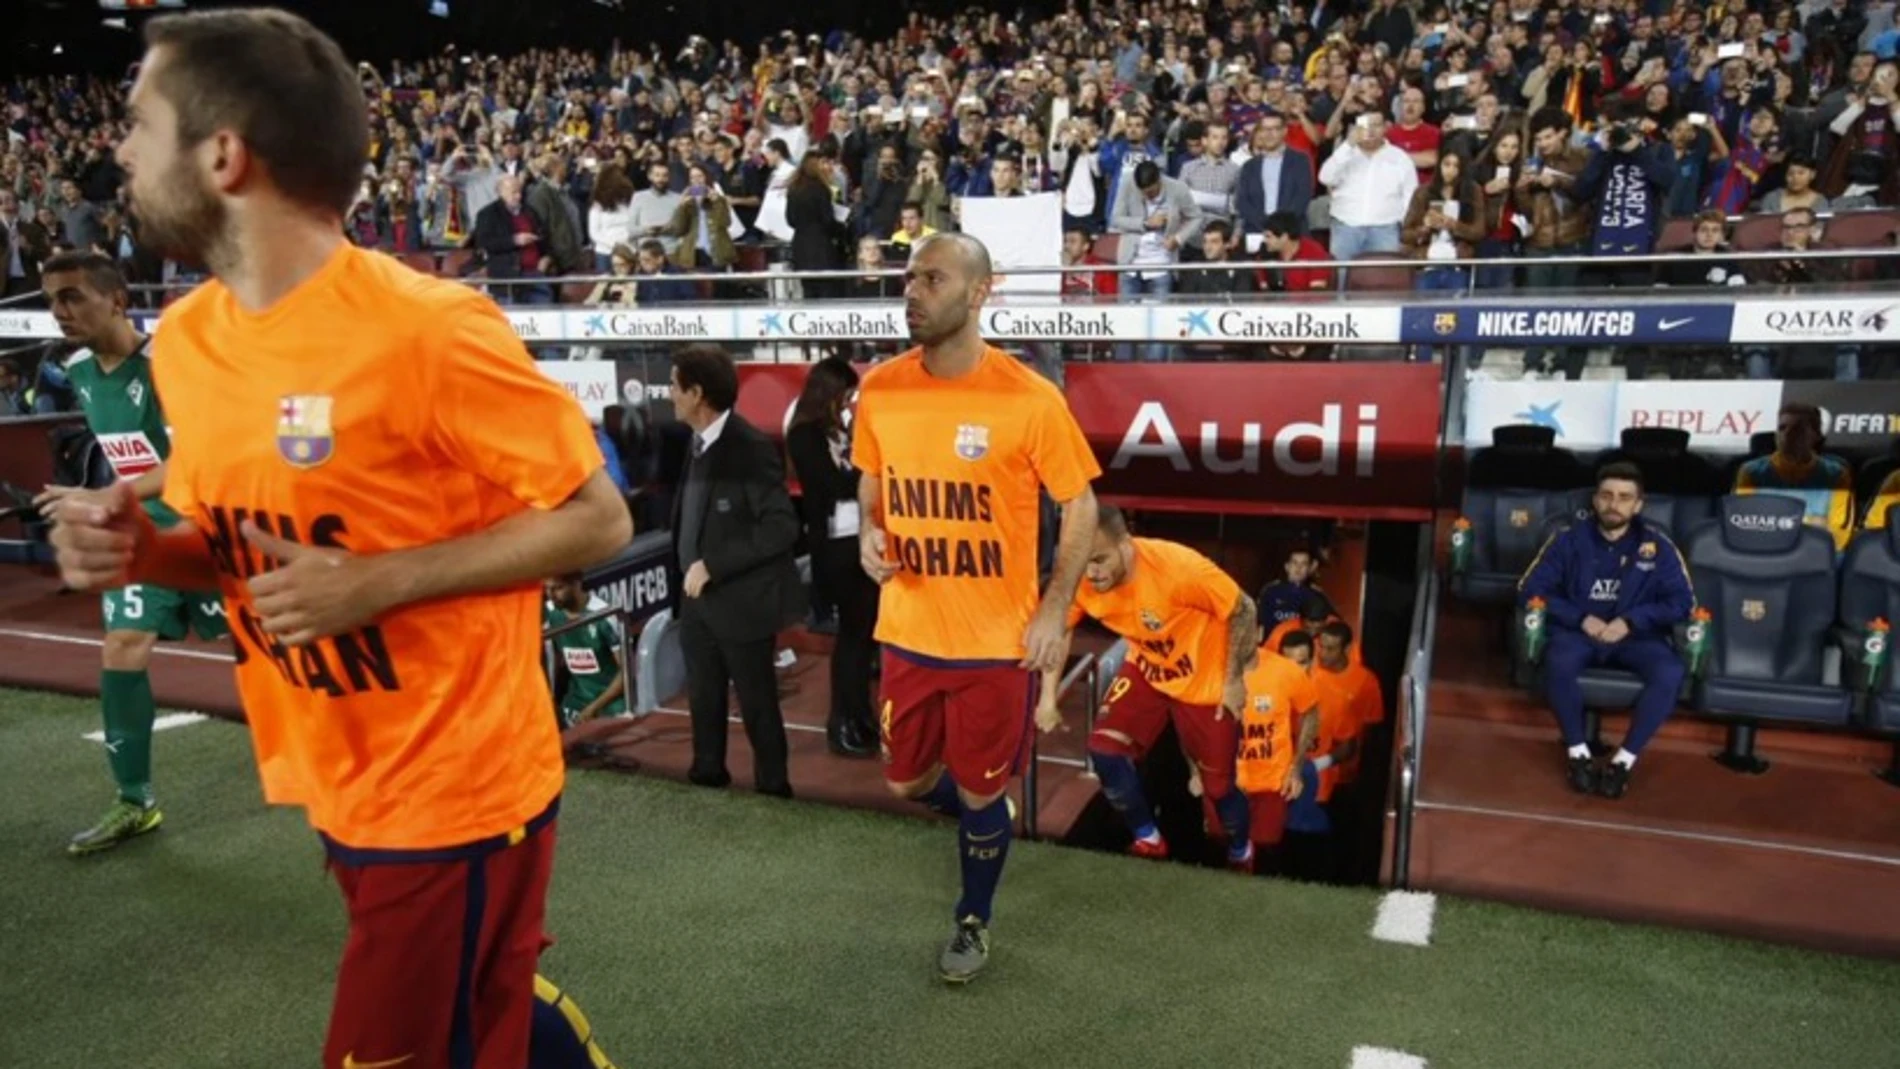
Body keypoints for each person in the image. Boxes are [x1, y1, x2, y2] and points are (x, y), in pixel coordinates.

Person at [57, 11, 626, 1066]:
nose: (117, 151)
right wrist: (143, 552)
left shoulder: (430, 328)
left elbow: (598, 515)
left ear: (224, 154)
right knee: (478, 1009)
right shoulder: (186, 339)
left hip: (455, 789)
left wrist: (380, 583)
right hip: (335, 770)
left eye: (138, 123)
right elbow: (243, 553)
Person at [853, 232, 1100, 984]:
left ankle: (973, 915)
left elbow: (1081, 506)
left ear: (980, 292)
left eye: (933, 277)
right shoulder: (882, 387)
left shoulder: (1030, 398)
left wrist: (1055, 609)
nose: (913, 290)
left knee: (983, 787)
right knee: (902, 781)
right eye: (909, 277)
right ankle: (983, 813)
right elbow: (872, 481)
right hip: (907, 630)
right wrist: (870, 529)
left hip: (996, 644)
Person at [32, 250, 229, 856]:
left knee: (283, 649)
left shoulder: (171, 364)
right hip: (145, 537)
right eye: (52, 300)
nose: (60, 311)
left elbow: (194, 460)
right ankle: (134, 800)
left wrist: (103, 495)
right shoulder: (80, 370)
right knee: (122, 648)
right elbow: (130, 459)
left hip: (211, 534)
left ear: (116, 299)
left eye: (73, 297)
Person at [1038, 507, 1258, 871]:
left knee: (1218, 790)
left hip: (1203, 684)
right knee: (1103, 750)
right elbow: (1060, 629)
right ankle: (1149, 839)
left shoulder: (1179, 568)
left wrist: (1234, 680)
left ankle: (1240, 850)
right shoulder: (1079, 576)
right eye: (1082, 563)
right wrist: (1048, 697)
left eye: (1099, 560)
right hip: (1147, 667)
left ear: (1126, 546)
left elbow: (1244, 609)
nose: (1091, 573)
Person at [668, 343, 803, 797]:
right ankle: (707, 775)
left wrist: (713, 565)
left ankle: (773, 788)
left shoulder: (748, 447)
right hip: (696, 604)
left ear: (697, 394)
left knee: (757, 703)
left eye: (674, 385)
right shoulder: (696, 442)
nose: (669, 393)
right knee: (703, 698)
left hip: (741, 602)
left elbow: (781, 526)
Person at [1520, 463, 1694, 799]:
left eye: (1625, 498)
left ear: (1638, 505)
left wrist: (1631, 621)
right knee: (1558, 662)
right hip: (1578, 634)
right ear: (1595, 499)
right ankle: (1578, 754)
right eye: (1607, 495)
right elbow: (1531, 590)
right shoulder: (1567, 540)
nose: (1614, 504)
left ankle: (1624, 760)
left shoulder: (1658, 546)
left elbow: (1682, 602)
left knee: (1670, 671)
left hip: (1636, 638)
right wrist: (1581, 618)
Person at [786, 355, 878, 758]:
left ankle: (860, 715)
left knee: (862, 638)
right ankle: (842, 720)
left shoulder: (836, 431)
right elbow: (834, 484)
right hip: (835, 548)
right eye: (843, 394)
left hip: (858, 540)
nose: (847, 402)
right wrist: (869, 471)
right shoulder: (804, 435)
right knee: (851, 641)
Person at [1734, 402, 1856, 549]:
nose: (1787, 435)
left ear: (1816, 435)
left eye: (1798, 429)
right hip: (1761, 554)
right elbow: (1741, 526)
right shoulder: (1750, 472)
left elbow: (1839, 537)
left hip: (1814, 557)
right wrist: (1812, 523)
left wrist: (1771, 522)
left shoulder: (1837, 475)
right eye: (1782, 428)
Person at [543, 571, 628, 734]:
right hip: (577, 699)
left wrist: (594, 708)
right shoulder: (550, 613)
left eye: (558, 588)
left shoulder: (605, 615)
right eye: (547, 589)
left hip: (610, 701)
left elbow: (627, 672)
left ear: (577, 583)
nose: (551, 595)